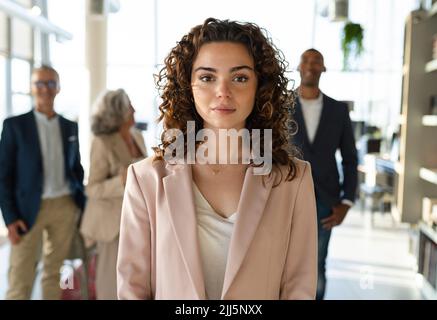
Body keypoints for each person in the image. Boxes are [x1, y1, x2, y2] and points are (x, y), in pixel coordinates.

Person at [117, 18, 317, 300]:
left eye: (239, 77)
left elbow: (299, 286)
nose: (223, 91)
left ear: (260, 87)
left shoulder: (293, 180)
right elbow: (133, 287)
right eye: (207, 77)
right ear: (188, 85)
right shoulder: (147, 179)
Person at [0, 65, 86, 300]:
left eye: (50, 83)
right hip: (27, 211)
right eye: (39, 83)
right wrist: (9, 218)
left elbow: (76, 167)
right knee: (21, 274)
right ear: (31, 88)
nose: (45, 89)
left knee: (54, 272)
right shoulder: (14, 126)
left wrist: (80, 203)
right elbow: (3, 175)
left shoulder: (70, 126)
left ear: (58, 88)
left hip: (64, 206)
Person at [293, 49, 358, 300]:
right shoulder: (280, 105)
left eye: (316, 60)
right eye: (306, 60)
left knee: (316, 265)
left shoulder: (338, 110)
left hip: (324, 202)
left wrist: (346, 201)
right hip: (285, 197)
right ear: (299, 67)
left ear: (324, 68)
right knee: (283, 262)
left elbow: (350, 158)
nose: (310, 65)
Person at [79, 89, 147, 300]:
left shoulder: (137, 136)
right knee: (110, 281)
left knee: (135, 277)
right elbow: (92, 188)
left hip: (137, 218)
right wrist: (121, 180)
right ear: (118, 113)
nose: (134, 109)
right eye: (129, 106)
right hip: (111, 225)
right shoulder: (102, 142)